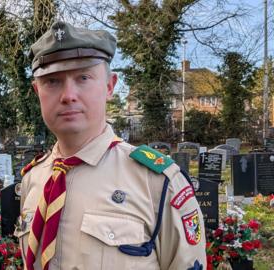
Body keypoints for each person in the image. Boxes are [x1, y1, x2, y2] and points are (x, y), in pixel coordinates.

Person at [16, 21, 206, 270]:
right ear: (36, 91)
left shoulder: (158, 182)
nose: (68, 95)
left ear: (109, 86)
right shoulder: (33, 179)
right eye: (52, 81)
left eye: (83, 77)